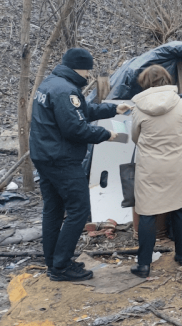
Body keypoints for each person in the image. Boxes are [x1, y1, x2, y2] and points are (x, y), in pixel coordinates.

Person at [30, 48, 132, 282]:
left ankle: (53, 261)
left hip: (45, 156)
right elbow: (76, 128)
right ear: (80, 67)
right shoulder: (66, 91)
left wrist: (114, 108)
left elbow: (81, 112)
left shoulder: (51, 84)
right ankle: (62, 266)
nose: (89, 74)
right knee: (79, 210)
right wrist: (106, 134)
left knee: (53, 210)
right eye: (88, 69)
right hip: (62, 159)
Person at [130, 65, 182, 277]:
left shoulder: (138, 108)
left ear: (144, 82)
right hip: (178, 166)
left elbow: (135, 137)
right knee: (179, 209)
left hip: (150, 169)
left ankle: (143, 265)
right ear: (167, 79)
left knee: (148, 214)